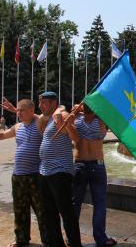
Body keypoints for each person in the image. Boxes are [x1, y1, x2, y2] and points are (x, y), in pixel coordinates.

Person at [0, 99, 48, 247]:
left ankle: (48, 239)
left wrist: (14, 109)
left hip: (35, 175)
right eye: (18, 110)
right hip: (18, 176)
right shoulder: (18, 126)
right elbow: (2, 135)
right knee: (20, 209)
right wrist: (18, 111)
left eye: (22, 110)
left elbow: (43, 117)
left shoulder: (39, 123)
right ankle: (21, 239)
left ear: (32, 111)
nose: (18, 113)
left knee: (41, 210)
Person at [37, 91, 82, 247]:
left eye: (43, 102)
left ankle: (75, 244)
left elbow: (76, 138)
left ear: (53, 103)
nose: (40, 105)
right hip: (44, 172)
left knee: (66, 212)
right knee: (49, 213)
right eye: (39, 102)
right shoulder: (51, 118)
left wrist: (68, 123)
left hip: (59, 172)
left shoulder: (62, 115)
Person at [72, 104, 117, 246]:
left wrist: (76, 110)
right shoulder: (101, 121)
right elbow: (109, 111)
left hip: (80, 163)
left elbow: (64, 115)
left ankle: (71, 237)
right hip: (97, 165)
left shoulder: (77, 120)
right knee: (99, 203)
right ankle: (100, 238)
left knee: (75, 203)